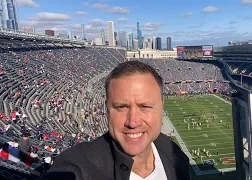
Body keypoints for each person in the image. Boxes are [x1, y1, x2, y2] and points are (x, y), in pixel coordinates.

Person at [38, 61, 190, 180]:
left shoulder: (174, 152)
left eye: (145, 106)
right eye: (121, 107)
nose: (133, 122)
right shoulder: (79, 165)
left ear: (161, 107)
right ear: (107, 109)